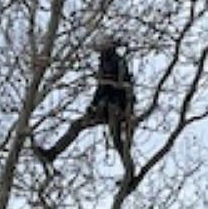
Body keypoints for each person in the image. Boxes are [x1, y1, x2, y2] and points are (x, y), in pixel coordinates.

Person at [35, 35, 135, 178]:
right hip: (104, 107)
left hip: (116, 107)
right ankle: (53, 153)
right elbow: (102, 87)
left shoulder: (117, 62)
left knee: (118, 141)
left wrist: (104, 105)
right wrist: (94, 105)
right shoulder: (105, 62)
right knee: (77, 126)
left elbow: (114, 87)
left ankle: (130, 173)